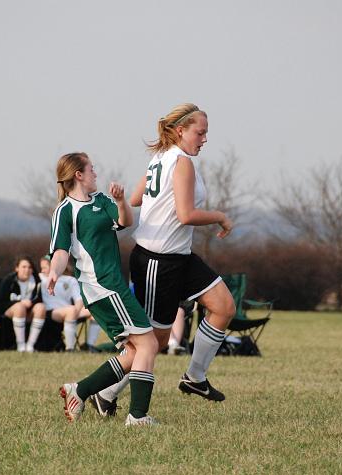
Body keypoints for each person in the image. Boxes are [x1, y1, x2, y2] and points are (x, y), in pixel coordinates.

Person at [91, 103, 236, 416]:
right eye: (201, 132)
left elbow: (134, 199)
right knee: (150, 344)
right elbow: (186, 215)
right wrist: (220, 217)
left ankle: (195, 377)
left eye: (207, 133)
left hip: (179, 256)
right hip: (158, 260)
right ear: (181, 130)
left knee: (224, 306)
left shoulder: (160, 157)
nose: (205, 138)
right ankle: (104, 391)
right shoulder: (180, 161)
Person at [49, 152, 159, 426]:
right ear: (79, 175)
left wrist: (122, 200)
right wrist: (53, 271)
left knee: (134, 352)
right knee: (149, 344)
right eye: (91, 169)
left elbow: (125, 222)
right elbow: (61, 250)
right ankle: (137, 416)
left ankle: (81, 391)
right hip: (102, 288)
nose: (95, 173)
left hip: (112, 286)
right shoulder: (65, 211)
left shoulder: (102, 201)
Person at [30, 255, 102, 352]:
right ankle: (70, 348)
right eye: (41, 268)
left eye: (44, 268)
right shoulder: (40, 278)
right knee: (71, 310)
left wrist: (76, 311)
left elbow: (79, 300)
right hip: (51, 312)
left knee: (96, 310)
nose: (42, 270)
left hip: (70, 312)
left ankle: (89, 345)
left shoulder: (70, 280)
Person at [0, 255, 42, 352]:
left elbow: (39, 299)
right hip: (10, 311)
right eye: (24, 267)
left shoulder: (37, 281)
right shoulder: (9, 281)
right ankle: (21, 345)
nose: (27, 270)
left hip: (29, 311)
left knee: (41, 307)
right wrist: (20, 302)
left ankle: (30, 345)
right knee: (20, 307)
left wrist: (31, 303)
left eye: (29, 267)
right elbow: (1, 303)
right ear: (17, 268)